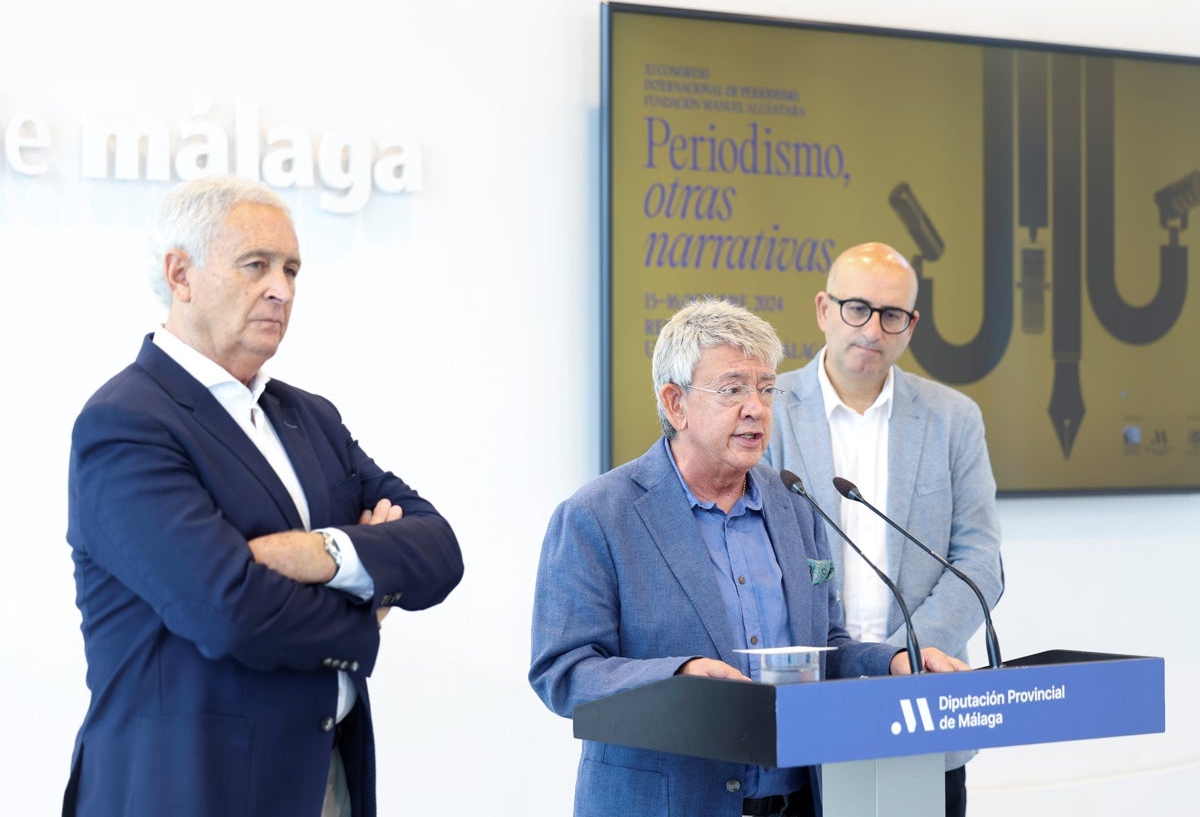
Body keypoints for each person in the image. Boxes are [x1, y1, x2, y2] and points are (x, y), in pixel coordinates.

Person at [62, 176, 464, 817]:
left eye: (291, 269)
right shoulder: (126, 422)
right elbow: (226, 609)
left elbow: (440, 549)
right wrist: (367, 606)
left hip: (324, 782)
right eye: (256, 266)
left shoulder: (311, 418)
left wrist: (325, 555)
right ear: (180, 274)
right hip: (187, 789)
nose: (281, 289)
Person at [529, 298, 967, 817]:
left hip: (796, 801)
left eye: (765, 389)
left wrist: (894, 662)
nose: (756, 407)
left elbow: (825, 646)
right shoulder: (598, 516)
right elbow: (563, 673)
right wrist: (678, 678)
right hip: (670, 804)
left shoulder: (795, 505)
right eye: (732, 389)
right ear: (676, 404)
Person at [763, 241, 1005, 817]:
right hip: (804, 709)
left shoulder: (953, 419)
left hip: (921, 703)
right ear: (823, 308)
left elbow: (979, 561)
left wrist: (899, 661)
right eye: (856, 308)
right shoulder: (768, 410)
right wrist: (850, 666)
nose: (873, 329)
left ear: (911, 324)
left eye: (892, 314)